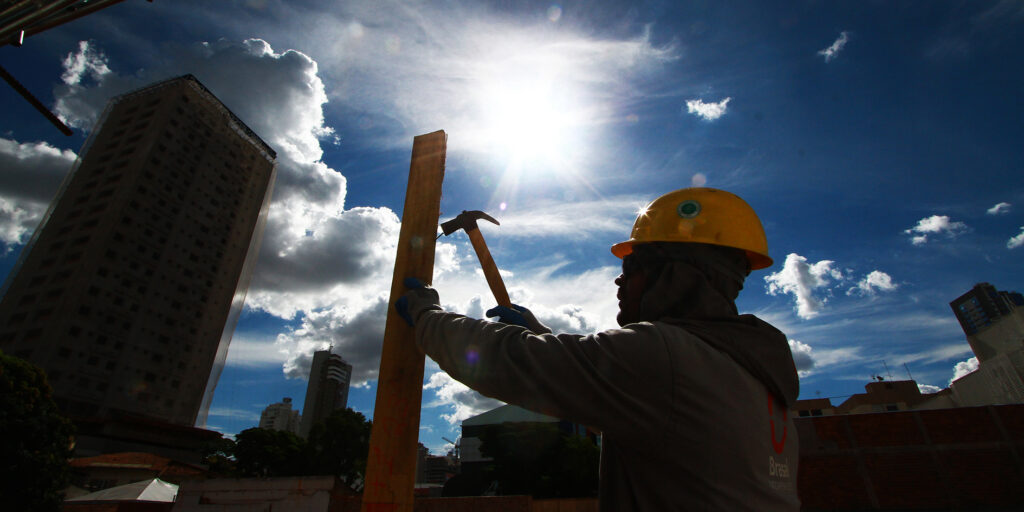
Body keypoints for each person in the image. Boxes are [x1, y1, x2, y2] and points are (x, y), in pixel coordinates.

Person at [397, 187, 800, 511]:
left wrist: (426, 314)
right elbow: (629, 403)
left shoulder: (662, 354)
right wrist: (541, 333)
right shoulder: (756, 371)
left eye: (630, 269)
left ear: (675, 275)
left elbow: (511, 360)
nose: (618, 283)